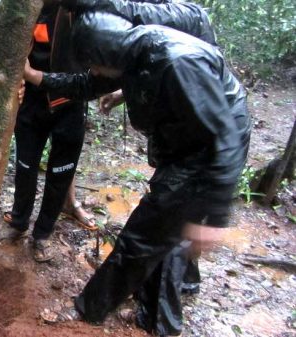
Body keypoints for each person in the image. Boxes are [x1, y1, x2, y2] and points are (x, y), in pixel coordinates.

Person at [23, 10, 250, 336]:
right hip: (184, 141)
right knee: (164, 230)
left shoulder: (176, 62)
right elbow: (88, 84)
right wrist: (37, 77)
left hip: (208, 149)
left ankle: (97, 311)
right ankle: (159, 308)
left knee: (144, 238)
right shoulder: (131, 51)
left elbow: (223, 138)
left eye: (94, 63)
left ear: (106, 54)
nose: (95, 70)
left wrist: (215, 217)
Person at [0, 0, 170, 262]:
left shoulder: (77, 10)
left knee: (60, 174)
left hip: (70, 101)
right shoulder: (23, 7)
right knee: (25, 168)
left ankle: (42, 234)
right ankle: (18, 223)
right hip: (31, 102)